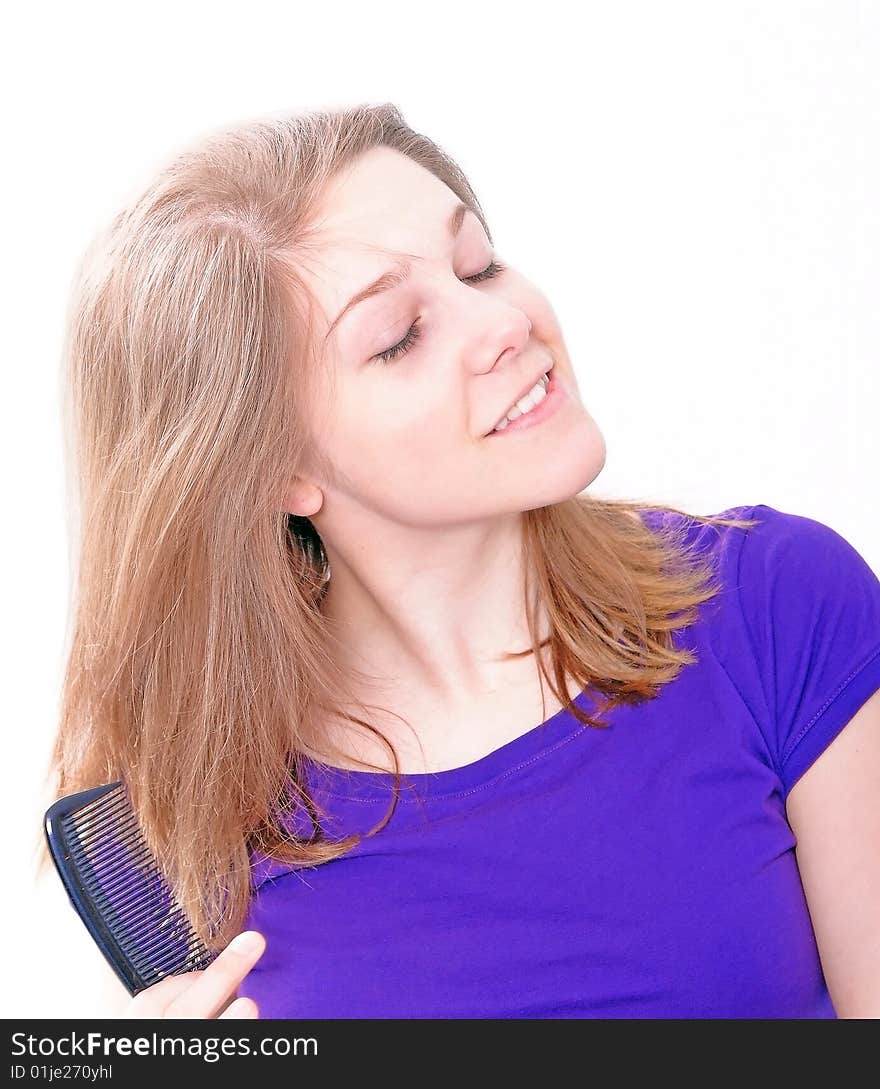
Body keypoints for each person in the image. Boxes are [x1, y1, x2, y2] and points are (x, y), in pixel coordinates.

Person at [39, 103, 880, 1020]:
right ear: (275, 466)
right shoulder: (183, 823)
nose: (503, 322)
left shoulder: (779, 607)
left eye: (478, 263)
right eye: (400, 335)